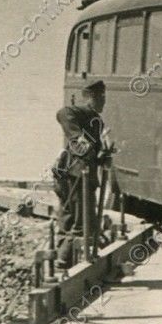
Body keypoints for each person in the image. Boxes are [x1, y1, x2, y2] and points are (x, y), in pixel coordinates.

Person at [53, 80, 108, 269]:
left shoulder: (97, 121)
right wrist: (78, 140)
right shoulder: (81, 112)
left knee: (73, 219)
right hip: (75, 174)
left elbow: (95, 152)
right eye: (101, 98)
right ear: (91, 97)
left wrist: (103, 155)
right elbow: (62, 114)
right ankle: (64, 261)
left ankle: (63, 262)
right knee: (80, 221)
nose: (104, 102)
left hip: (81, 175)